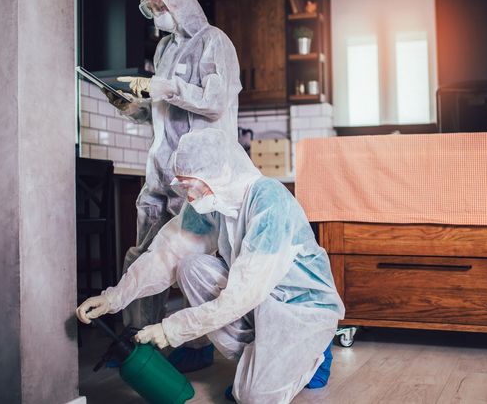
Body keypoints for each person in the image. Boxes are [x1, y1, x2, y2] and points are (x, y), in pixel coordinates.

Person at [77, 128, 345, 403]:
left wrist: (172, 329)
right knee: (190, 266)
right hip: (258, 302)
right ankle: (256, 364)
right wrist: (113, 298)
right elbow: (167, 254)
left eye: (191, 184)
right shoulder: (214, 201)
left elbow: (244, 294)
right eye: (183, 186)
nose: (188, 195)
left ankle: (314, 353)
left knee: (253, 397)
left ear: (219, 172)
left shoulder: (269, 201)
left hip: (299, 309)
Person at [103, 0, 242, 338]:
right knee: (143, 255)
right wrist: (134, 107)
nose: (154, 12)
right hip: (161, 174)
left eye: (159, 4)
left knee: (193, 260)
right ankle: (138, 339)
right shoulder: (165, 48)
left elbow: (215, 101)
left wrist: (166, 87)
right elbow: (164, 112)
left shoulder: (214, 41)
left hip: (198, 177)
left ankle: (197, 344)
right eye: (149, 6)